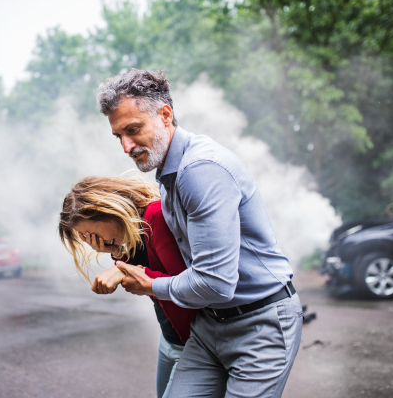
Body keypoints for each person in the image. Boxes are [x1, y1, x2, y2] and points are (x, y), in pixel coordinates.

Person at [95, 69, 303, 397]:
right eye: (119, 135)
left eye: (133, 130)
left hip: (260, 323)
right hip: (210, 325)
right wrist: (119, 250)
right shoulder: (168, 171)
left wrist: (149, 285)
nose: (126, 146)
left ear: (165, 115)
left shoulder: (200, 170)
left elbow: (216, 282)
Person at [58, 176, 197, 398]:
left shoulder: (155, 217)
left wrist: (125, 270)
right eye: (84, 237)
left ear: (105, 210)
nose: (89, 241)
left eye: (89, 233)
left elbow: (188, 287)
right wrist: (117, 254)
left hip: (192, 346)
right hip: (169, 339)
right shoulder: (132, 231)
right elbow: (146, 265)